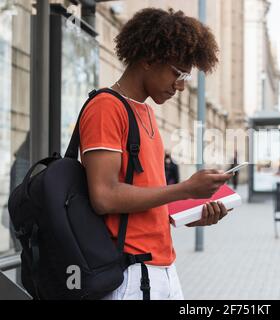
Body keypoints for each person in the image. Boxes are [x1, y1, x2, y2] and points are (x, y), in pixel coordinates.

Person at [79, 7, 233, 300]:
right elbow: (104, 196)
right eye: (177, 73)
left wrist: (189, 215)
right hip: (130, 272)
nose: (181, 86)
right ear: (149, 58)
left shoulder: (147, 113)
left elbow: (146, 196)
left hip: (162, 266)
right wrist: (186, 188)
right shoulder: (106, 107)